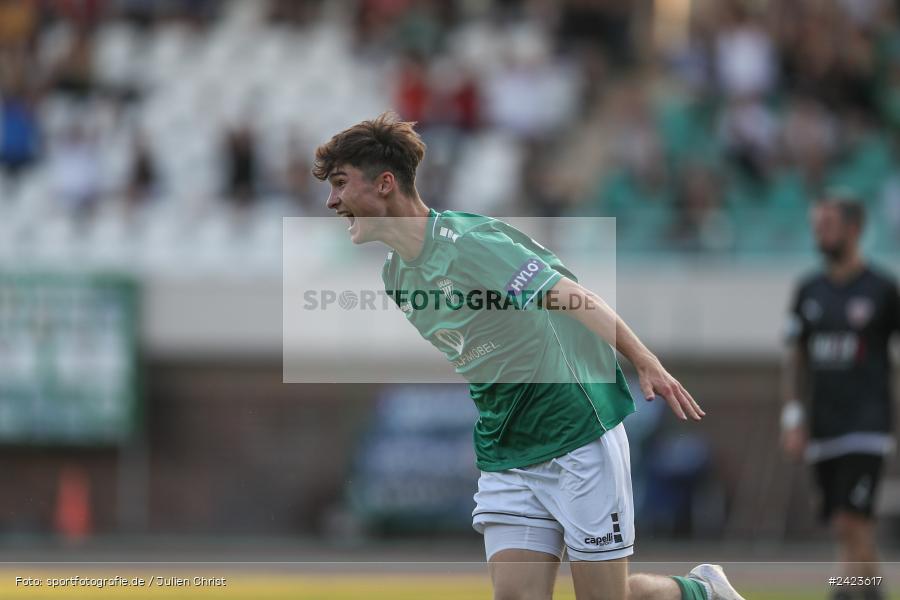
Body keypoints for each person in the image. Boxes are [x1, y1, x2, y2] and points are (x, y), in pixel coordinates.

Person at [313, 112, 745, 600]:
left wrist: (644, 359)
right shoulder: (396, 278)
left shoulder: (469, 244)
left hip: (575, 434)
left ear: (385, 184)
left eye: (341, 184)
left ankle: (700, 591)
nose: (331, 200)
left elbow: (574, 297)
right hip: (507, 451)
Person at [782, 195, 900, 600]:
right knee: (848, 527)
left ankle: (842, 593)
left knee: (851, 522)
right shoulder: (808, 290)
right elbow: (795, 358)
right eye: (817, 224)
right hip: (824, 425)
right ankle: (873, 592)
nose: (820, 232)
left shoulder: (883, 289)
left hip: (867, 425)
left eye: (828, 224)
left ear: (854, 228)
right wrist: (793, 417)